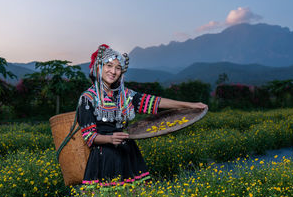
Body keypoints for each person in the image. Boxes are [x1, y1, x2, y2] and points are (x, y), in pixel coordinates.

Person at [78, 44, 207, 189]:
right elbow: (89, 136)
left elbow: (155, 102)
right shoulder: (88, 98)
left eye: (118, 68)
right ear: (98, 67)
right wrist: (110, 139)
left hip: (128, 152)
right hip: (104, 157)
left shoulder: (125, 95)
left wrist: (189, 105)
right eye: (109, 66)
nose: (113, 71)